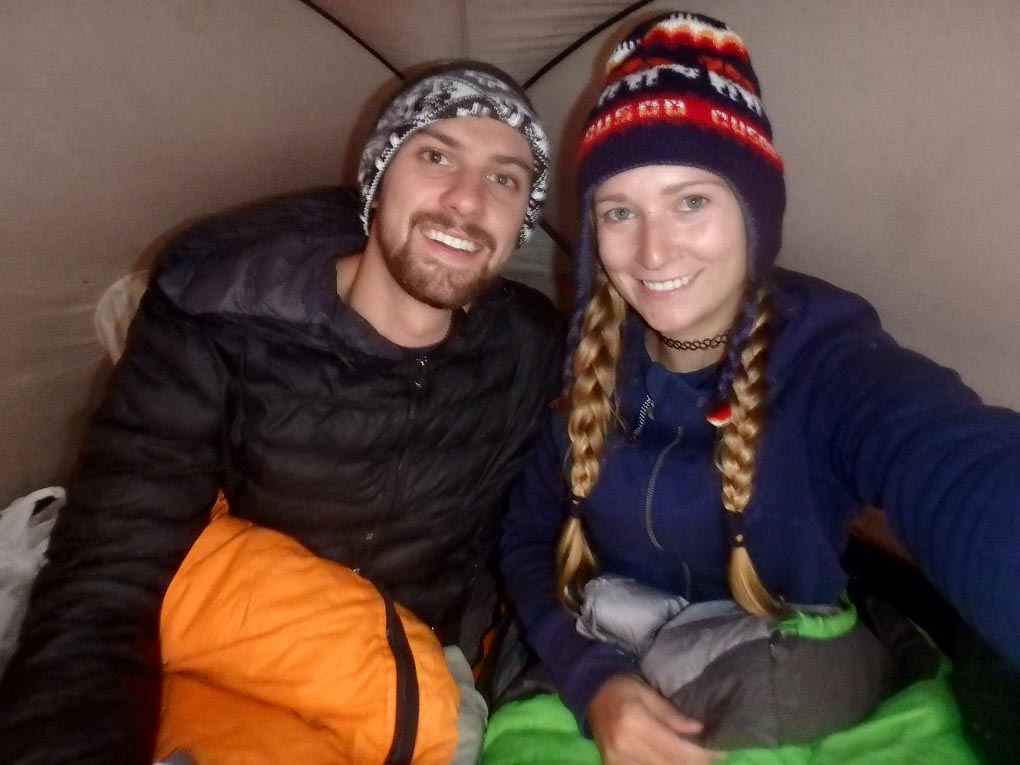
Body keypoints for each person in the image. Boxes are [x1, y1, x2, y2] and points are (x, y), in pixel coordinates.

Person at [0, 62, 563, 763]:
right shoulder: (219, 316)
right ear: (378, 178)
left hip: (405, 681)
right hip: (223, 656)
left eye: (504, 179)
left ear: (524, 222)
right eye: (436, 155)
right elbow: (113, 567)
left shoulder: (531, 350)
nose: (466, 200)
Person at [500, 12, 1020, 765]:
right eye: (619, 211)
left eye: (690, 201)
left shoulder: (828, 359)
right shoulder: (583, 363)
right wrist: (594, 682)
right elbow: (525, 539)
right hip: (602, 654)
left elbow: (955, 464)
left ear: (754, 213)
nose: (651, 250)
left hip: (783, 672)